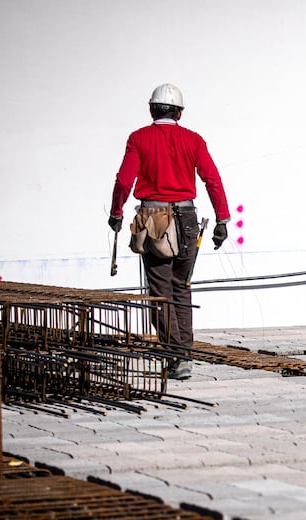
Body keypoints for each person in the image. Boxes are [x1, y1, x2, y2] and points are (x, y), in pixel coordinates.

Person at [109, 83, 231, 380]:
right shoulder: (193, 140)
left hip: (154, 219)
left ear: (152, 109)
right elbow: (212, 178)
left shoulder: (139, 138)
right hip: (187, 217)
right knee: (181, 286)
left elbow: (125, 181)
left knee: (160, 291)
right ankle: (183, 354)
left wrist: (116, 213)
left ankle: (176, 357)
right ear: (179, 112)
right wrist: (222, 219)